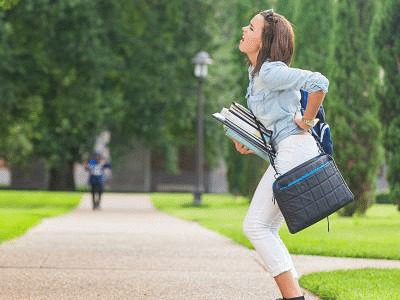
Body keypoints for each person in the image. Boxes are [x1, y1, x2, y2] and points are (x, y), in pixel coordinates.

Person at [235, 9, 329, 300]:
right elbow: (276, 122)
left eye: (251, 28)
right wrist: (250, 141)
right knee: (267, 228)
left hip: (295, 152)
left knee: (255, 226)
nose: (243, 30)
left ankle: (294, 298)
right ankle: (293, 296)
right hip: (286, 152)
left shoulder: (270, 71)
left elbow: (319, 82)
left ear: (264, 41)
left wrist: (307, 119)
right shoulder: (256, 74)